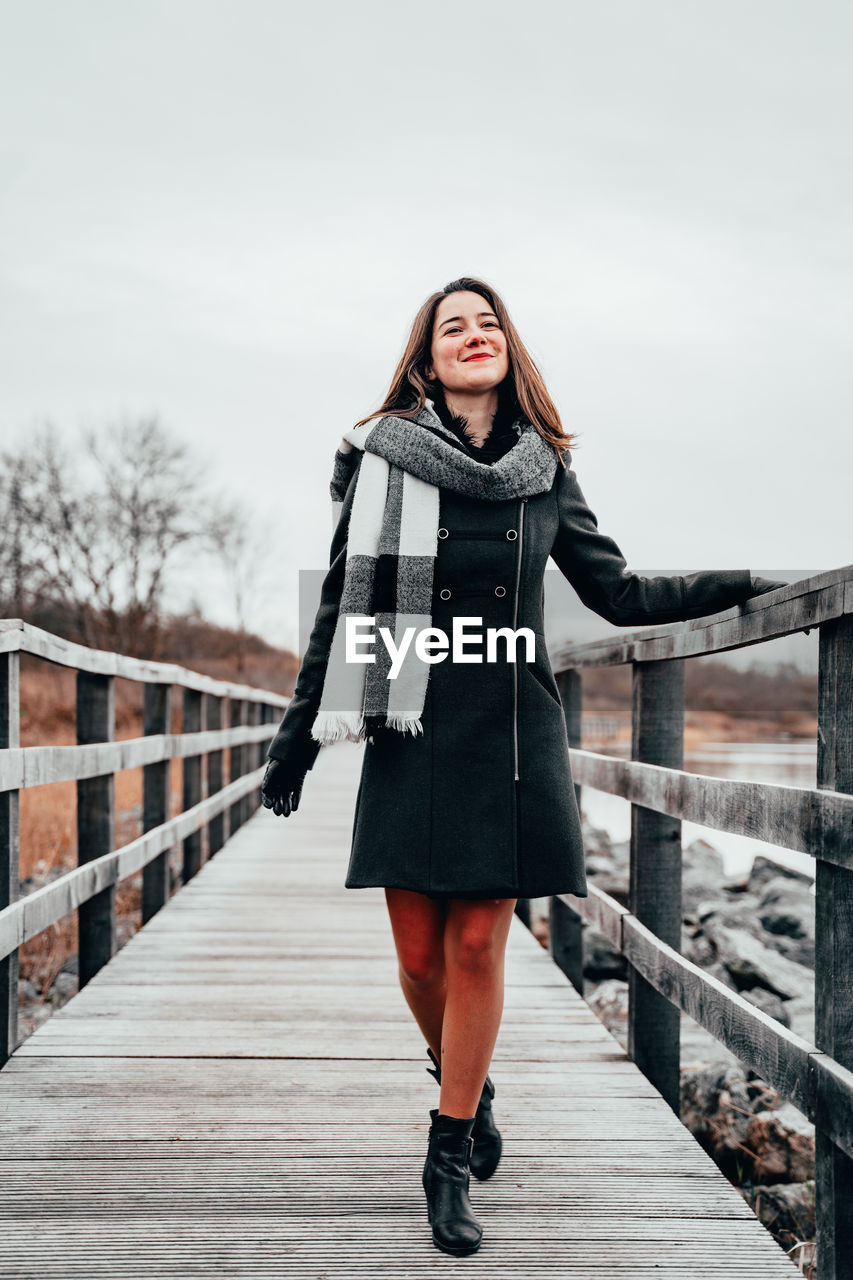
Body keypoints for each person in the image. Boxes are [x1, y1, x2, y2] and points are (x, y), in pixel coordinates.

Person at [261, 276, 784, 1258]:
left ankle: (447, 1152)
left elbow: (620, 592)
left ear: (508, 348)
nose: (474, 334)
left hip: (509, 734)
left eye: (487, 321)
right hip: (410, 722)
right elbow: (340, 603)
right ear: (426, 358)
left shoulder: (544, 471)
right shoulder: (385, 461)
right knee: (418, 955)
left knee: (474, 949)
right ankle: (466, 1074)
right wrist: (294, 734)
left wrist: (750, 582)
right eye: (452, 326)